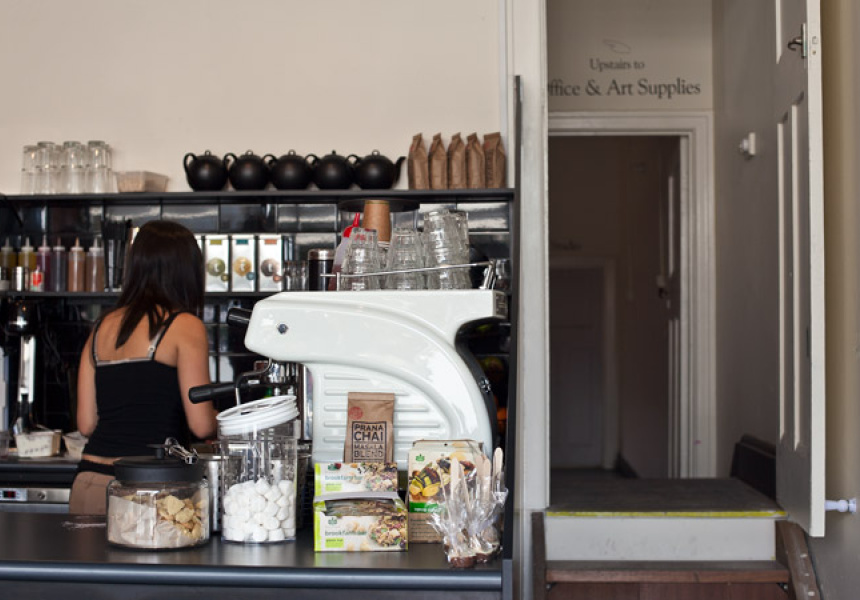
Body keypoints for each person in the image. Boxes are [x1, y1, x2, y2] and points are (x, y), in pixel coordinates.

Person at [69, 220, 218, 515]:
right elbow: (201, 425)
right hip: (150, 488)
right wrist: (229, 421)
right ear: (187, 270)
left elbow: (86, 424)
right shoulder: (185, 326)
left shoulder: (101, 327)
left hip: (90, 480)